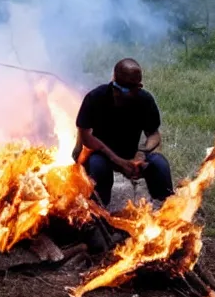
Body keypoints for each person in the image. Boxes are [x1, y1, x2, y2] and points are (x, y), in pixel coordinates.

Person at [73, 58, 173, 207]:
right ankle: (97, 212)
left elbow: (154, 134)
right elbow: (86, 137)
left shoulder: (145, 100)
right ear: (113, 80)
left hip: (130, 154)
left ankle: (167, 208)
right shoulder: (95, 98)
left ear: (138, 87)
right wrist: (118, 161)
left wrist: (141, 152)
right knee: (98, 167)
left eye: (126, 90)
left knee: (159, 164)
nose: (118, 93)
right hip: (100, 154)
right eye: (116, 87)